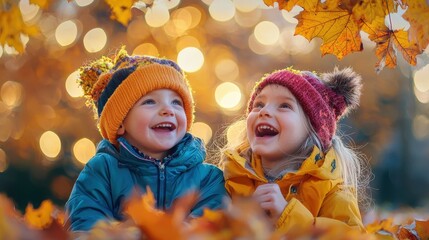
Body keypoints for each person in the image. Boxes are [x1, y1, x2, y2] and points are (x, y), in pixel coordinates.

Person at [66, 47, 227, 232]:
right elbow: (84, 225)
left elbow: (210, 230)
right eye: (150, 102)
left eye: (176, 102)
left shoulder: (207, 178)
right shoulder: (103, 171)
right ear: (119, 123)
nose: (168, 110)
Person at [219, 67, 370, 233]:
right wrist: (243, 219)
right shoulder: (231, 178)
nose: (264, 111)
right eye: (259, 104)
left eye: (284, 106)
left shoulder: (331, 192)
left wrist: (288, 215)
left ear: (313, 129)